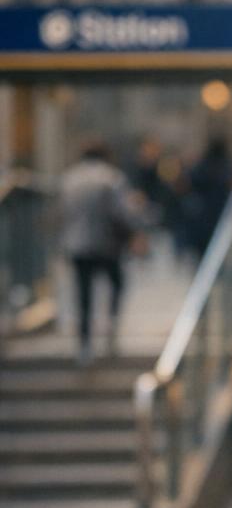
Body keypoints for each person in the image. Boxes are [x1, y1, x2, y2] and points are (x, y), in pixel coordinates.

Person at [57, 138, 145, 364]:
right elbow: (121, 213)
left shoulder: (69, 178)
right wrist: (134, 232)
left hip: (76, 243)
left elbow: (62, 213)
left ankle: (85, 344)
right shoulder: (112, 178)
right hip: (106, 243)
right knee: (117, 283)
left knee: (83, 294)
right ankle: (110, 328)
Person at [181, 135, 232, 260]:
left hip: (205, 214)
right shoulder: (226, 167)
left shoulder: (203, 166)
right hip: (217, 212)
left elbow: (190, 182)